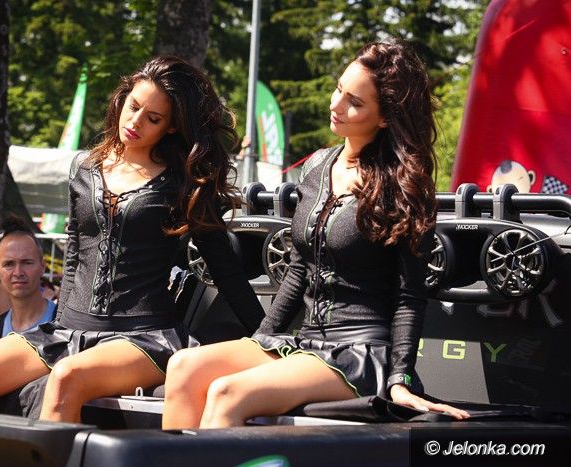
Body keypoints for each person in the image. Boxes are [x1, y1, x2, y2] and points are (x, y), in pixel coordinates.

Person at [0, 55, 265, 422]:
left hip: (145, 336)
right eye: (133, 106)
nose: (135, 122)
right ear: (123, 98)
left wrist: (268, 338)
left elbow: (225, 270)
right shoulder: (84, 167)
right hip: (68, 331)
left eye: (153, 118)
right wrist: (62, 323)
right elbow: (75, 253)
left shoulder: (186, 183)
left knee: (66, 377)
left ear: (171, 127)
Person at [162, 40, 470, 429]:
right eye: (339, 89)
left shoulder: (406, 186)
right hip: (305, 341)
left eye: (354, 102)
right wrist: (260, 338)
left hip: (358, 352)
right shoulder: (318, 166)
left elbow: (410, 297)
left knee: (227, 392)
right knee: (184, 366)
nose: (336, 105)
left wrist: (400, 379)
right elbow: (298, 269)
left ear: (384, 118)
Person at [0, 218, 56, 343]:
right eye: (9, 264)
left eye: (27, 263)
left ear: (42, 267)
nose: (18, 273)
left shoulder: (64, 326)